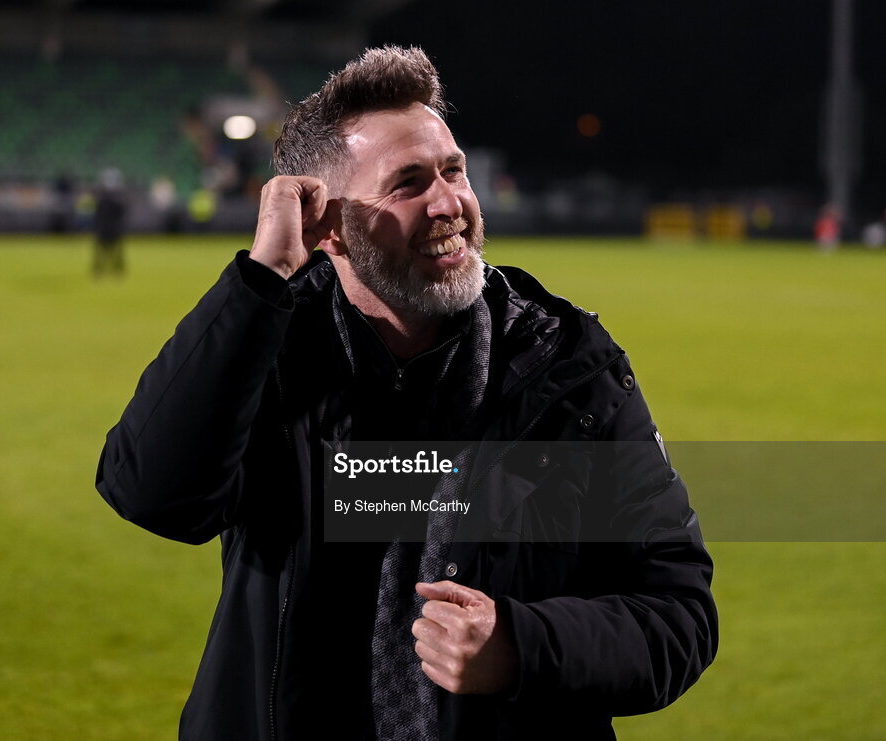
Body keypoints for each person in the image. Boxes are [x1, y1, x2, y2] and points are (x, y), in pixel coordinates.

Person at [96, 46, 717, 740]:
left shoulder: (570, 367)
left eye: (454, 171)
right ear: (329, 225)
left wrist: (521, 641)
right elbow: (153, 492)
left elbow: (678, 612)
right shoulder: (272, 352)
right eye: (409, 183)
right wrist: (261, 280)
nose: (449, 202)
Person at [92, 168, 127, 277]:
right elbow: (121, 213)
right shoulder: (115, 201)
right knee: (112, 252)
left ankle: (101, 270)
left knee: (104, 252)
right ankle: (115, 270)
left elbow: (97, 215)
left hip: (106, 228)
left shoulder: (101, 201)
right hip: (112, 228)